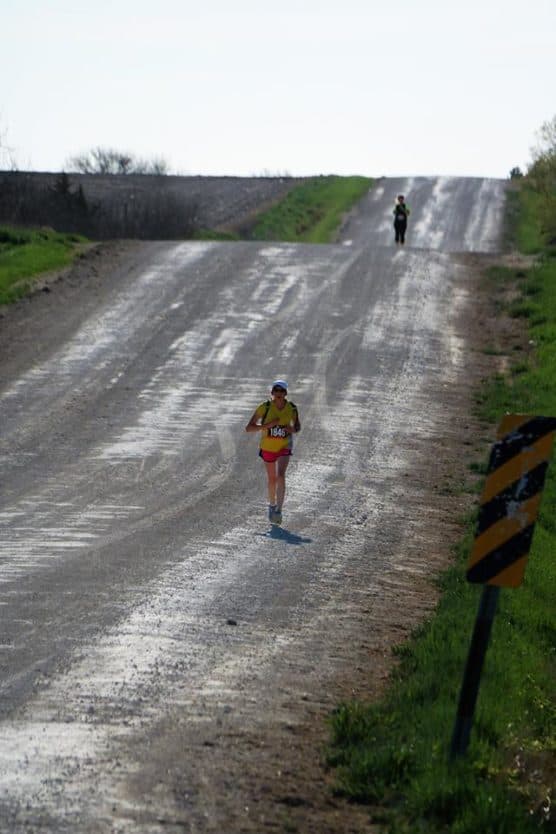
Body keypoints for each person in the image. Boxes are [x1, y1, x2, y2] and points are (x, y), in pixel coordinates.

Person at [245, 380, 301, 525]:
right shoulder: (265, 407)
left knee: (281, 475)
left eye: (281, 391)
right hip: (268, 447)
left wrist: (292, 430)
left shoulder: (292, 408)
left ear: (285, 394)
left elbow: (297, 427)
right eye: (276, 391)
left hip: (284, 446)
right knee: (272, 479)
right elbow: (249, 428)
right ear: (272, 393)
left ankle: (279, 510)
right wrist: (266, 426)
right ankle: (272, 505)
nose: (278, 394)